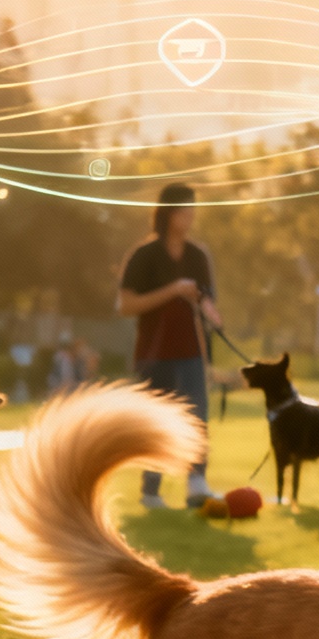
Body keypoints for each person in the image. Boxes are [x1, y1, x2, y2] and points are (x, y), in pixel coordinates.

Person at [116, 182, 221, 509]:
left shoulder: (197, 255)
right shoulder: (144, 255)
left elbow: (208, 301)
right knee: (155, 421)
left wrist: (211, 314)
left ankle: (197, 483)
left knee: (197, 416)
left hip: (191, 352)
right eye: (183, 210)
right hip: (154, 354)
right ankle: (151, 490)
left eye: (192, 209)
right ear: (167, 213)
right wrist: (173, 289)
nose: (190, 216)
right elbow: (126, 305)